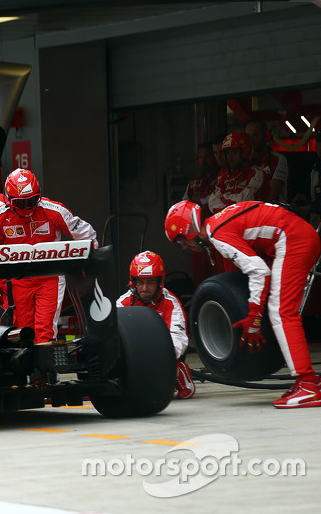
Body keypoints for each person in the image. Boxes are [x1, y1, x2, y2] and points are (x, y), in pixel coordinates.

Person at [165, 200, 321, 408]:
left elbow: (258, 271)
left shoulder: (218, 234)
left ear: (190, 229)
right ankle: (308, 381)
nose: (185, 246)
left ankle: (308, 384)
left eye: (182, 240)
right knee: (280, 309)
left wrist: (254, 318)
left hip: (293, 239)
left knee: (282, 311)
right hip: (294, 235)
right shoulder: (219, 222)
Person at [0, 168, 98, 344]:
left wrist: (88, 262)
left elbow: (87, 234)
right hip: (18, 281)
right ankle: (26, 370)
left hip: (50, 278)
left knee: (45, 330)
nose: (28, 207)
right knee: (22, 332)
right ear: (9, 201)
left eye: (32, 201)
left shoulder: (54, 211)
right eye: (22, 203)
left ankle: (46, 371)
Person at [116, 251, 195, 399]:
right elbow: (112, 335)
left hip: (161, 354)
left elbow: (178, 339)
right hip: (133, 353)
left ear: (160, 281)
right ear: (133, 281)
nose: (144, 288)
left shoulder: (171, 303)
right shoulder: (122, 303)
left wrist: (153, 358)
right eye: (140, 282)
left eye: (150, 282)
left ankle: (180, 373)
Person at [183, 142, 222, 286]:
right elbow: (184, 205)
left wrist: (200, 201)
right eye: (201, 157)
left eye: (207, 157)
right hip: (198, 237)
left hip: (218, 236)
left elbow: (215, 202)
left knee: (220, 278)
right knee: (201, 279)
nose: (204, 160)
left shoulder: (222, 177)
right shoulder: (194, 181)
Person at [207, 131, 263, 214]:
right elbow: (212, 203)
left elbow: (245, 202)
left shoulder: (256, 173)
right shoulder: (224, 175)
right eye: (228, 153)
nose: (230, 157)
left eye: (234, 152)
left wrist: (223, 197)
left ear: (245, 151)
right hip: (229, 222)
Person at [246, 119, 288, 203]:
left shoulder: (278, 159)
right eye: (248, 136)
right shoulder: (244, 161)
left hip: (273, 212)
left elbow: (271, 194)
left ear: (266, 136)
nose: (251, 140)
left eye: (255, 135)